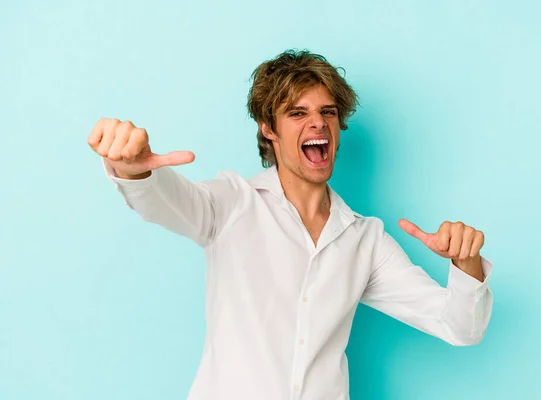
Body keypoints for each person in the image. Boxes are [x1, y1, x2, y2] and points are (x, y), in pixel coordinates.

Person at [88, 49, 493, 400]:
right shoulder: (231, 202)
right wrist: (132, 170)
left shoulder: (365, 239)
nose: (317, 123)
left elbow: (458, 326)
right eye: (297, 113)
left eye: (327, 112)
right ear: (269, 129)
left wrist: (466, 262)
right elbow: (167, 203)